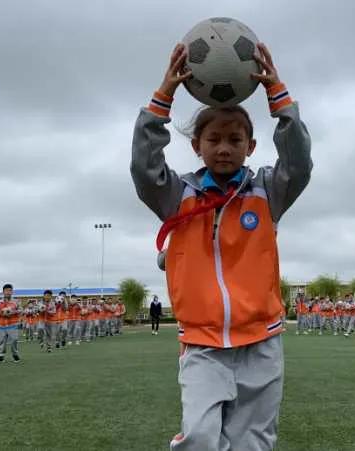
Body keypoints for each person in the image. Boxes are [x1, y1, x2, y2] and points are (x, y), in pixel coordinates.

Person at [131, 42, 310, 451]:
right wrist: (162, 99)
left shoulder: (267, 191)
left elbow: (299, 165)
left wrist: (278, 97)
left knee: (253, 443)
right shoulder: (178, 196)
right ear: (197, 145)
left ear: (251, 146)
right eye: (214, 138)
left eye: (235, 138)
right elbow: (144, 170)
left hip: (261, 343)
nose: (224, 147)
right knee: (199, 437)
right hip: (202, 343)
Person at [0, 284, 21, 364]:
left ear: (12, 292)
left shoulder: (16, 301)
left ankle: (15, 354)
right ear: (3, 292)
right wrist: (2, 312)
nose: (8, 292)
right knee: (1, 341)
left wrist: (12, 312)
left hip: (13, 324)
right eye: (6, 290)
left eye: (10, 290)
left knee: (14, 340)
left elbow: (20, 310)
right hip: (2, 325)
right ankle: (0, 356)